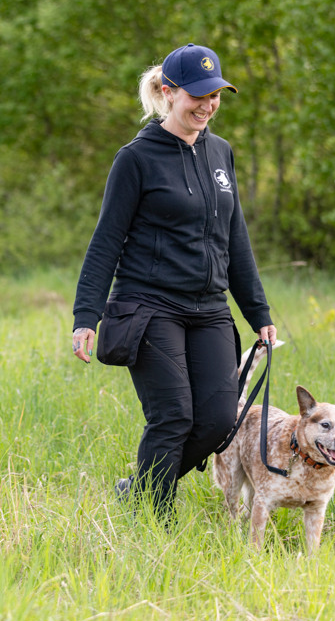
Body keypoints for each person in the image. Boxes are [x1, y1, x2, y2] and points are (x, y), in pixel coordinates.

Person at [70, 43, 277, 520]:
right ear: (168, 92)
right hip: (149, 306)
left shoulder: (220, 152)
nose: (207, 106)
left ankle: (137, 491)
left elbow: (236, 238)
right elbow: (106, 241)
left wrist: (258, 313)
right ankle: (154, 524)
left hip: (209, 309)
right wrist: (86, 316)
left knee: (219, 420)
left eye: (215, 96)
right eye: (197, 96)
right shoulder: (136, 158)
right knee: (173, 416)